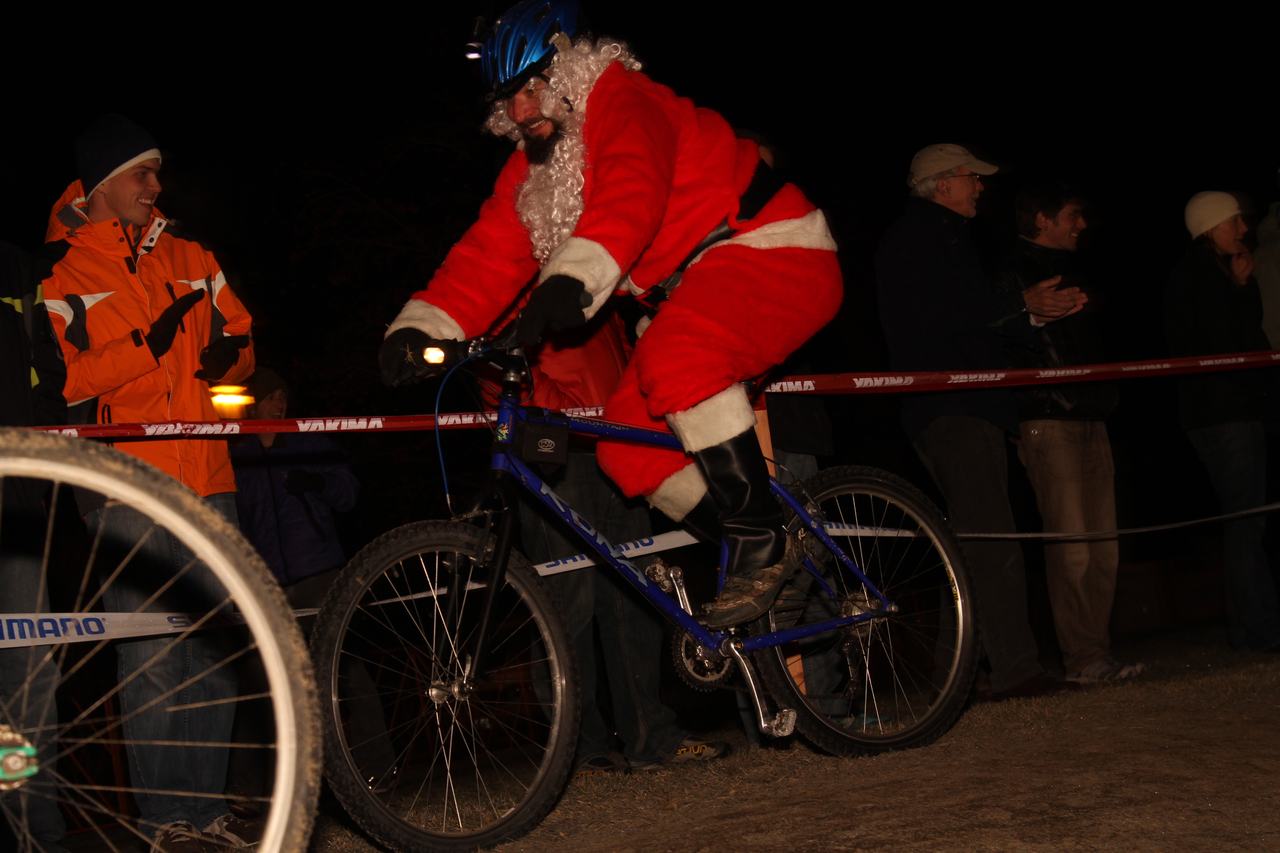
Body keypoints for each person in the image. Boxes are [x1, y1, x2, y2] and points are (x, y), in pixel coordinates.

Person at [379, 0, 842, 628]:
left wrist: (570, 281)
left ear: (569, 66)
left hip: (773, 249)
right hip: (694, 291)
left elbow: (632, 191)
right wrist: (423, 325)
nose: (520, 113)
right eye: (507, 100)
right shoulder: (539, 165)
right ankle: (773, 539)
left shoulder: (625, 101)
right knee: (628, 450)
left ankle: (762, 541)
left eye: (532, 89)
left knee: (683, 359)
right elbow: (490, 250)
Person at [41, 114, 257, 850]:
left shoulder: (192, 250)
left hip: (209, 469)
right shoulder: (61, 272)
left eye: (158, 172)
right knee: (155, 648)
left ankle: (207, 812)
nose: (157, 186)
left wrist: (227, 358)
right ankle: (165, 819)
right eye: (144, 172)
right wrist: (146, 347)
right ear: (104, 182)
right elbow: (62, 384)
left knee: (216, 643)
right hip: (126, 482)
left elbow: (243, 339)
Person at [875, 144, 1086, 699]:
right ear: (943, 184)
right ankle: (1017, 670)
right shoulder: (924, 240)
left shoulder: (938, 238)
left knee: (969, 543)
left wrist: (1026, 310)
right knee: (992, 541)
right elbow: (953, 317)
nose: (980, 187)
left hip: (956, 407)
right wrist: (1022, 306)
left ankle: (956, 674)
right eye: (972, 178)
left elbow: (968, 315)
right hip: (954, 407)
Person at [509, 306, 726, 771]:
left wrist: (630, 412)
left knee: (635, 598)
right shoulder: (522, 270)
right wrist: (565, 415)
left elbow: (625, 353)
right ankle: (575, 751)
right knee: (568, 607)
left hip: (620, 444)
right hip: (557, 451)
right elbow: (496, 369)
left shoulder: (597, 270)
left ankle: (653, 739)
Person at [995, 180, 1142, 684]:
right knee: (1073, 545)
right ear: (1042, 218)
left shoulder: (1079, 270)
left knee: (1104, 543)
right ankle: (1082, 658)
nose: (1081, 225)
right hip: (1047, 419)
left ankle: (1095, 654)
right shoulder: (1009, 273)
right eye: (1072, 215)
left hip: (1091, 413)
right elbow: (994, 342)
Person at [1164, 191, 1280, 652]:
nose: (1243, 230)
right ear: (1210, 226)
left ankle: (1258, 626)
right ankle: (1257, 630)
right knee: (1245, 519)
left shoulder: (1219, 271)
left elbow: (1250, 334)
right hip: (1221, 415)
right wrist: (1236, 288)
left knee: (1250, 520)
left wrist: (1243, 286)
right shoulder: (1194, 276)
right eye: (1234, 222)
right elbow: (1219, 340)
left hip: (1239, 410)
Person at [1, 240, 69, 851]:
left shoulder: (16, 270)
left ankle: (34, 828)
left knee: (28, 683)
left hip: (16, 506)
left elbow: (51, 379)